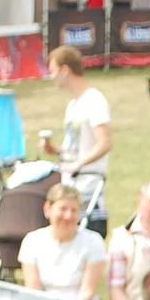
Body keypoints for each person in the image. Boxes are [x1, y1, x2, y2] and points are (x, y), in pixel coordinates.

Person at [43, 47, 111, 231]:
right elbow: (76, 146)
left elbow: (105, 142)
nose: (52, 77)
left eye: (54, 71)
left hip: (88, 183)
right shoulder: (73, 105)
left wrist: (79, 164)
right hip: (69, 181)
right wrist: (55, 149)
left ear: (65, 70)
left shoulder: (94, 100)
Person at [19, 183, 107, 300]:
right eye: (63, 209)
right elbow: (34, 291)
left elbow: (88, 291)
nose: (68, 216)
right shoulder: (31, 241)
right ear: (48, 209)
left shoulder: (94, 242)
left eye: (74, 210)